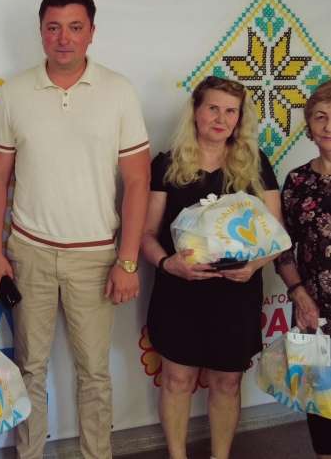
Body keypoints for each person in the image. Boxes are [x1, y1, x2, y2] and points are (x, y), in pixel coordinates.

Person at [0, 0, 150, 459]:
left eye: (75, 27)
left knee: (94, 372)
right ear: (40, 32)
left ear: (91, 32)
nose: (64, 38)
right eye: (53, 27)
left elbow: (137, 181)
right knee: (29, 370)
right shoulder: (15, 91)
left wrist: (128, 261)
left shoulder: (119, 91)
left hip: (95, 257)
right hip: (28, 253)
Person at [140, 76, 281, 459]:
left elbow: (276, 235)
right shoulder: (167, 164)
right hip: (179, 292)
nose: (221, 119)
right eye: (213, 108)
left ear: (240, 118)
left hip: (236, 294)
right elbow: (146, 234)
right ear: (196, 112)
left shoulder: (256, 164)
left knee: (227, 383)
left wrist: (253, 267)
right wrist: (168, 264)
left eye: (230, 111)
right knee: (177, 380)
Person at [276, 79, 331, 459]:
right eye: (320, 117)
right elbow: (283, 248)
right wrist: (298, 293)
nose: (328, 126)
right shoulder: (297, 181)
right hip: (315, 309)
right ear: (309, 125)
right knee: (321, 398)